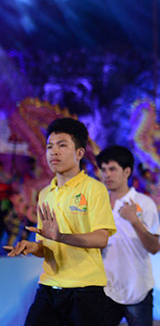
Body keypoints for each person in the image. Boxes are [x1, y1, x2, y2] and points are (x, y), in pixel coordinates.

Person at [3, 117, 116, 326]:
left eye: (62, 145)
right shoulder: (45, 193)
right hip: (49, 286)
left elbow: (101, 239)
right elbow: (44, 247)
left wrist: (61, 236)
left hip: (85, 289)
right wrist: (32, 247)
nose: (54, 152)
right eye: (49, 147)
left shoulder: (94, 189)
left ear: (79, 153)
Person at [97, 145, 160, 326]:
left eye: (112, 169)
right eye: (103, 169)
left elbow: (154, 247)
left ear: (127, 171)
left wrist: (135, 221)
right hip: (104, 288)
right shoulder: (97, 203)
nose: (107, 175)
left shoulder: (144, 203)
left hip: (138, 288)